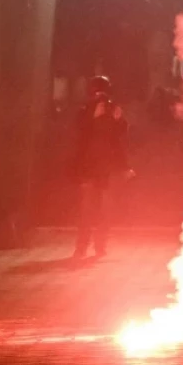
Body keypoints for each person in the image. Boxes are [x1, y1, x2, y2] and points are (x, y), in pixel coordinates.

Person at [70, 76, 134, 259]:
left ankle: (100, 245)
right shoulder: (85, 111)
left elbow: (121, 136)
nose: (100, 96)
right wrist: (93, 117)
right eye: (97, 91)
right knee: (87, 209)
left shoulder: (112, 109)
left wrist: (119, 120)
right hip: (90, 166)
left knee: (106, 208)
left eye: (102, 91)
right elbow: (80, 133)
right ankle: (81, 247)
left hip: (109, 166)